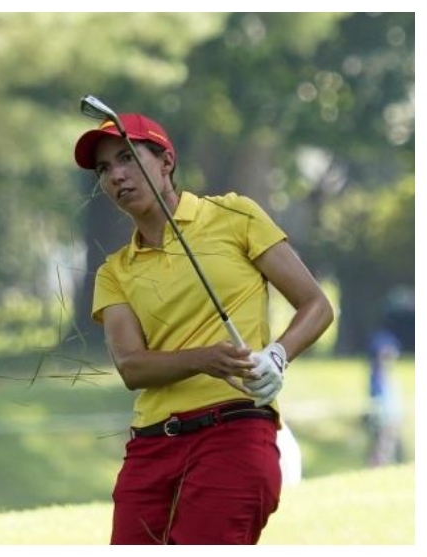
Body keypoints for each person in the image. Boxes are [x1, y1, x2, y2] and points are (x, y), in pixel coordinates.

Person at [75, 113, 333, 544]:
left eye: (126, 157)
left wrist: (277, 354)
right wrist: (203, 359)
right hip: (151, 446)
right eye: (104, 169)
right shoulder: (114, 271)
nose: (116, 175)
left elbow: (317, 305)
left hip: (233, 430)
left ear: (166, 162)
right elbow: (132, 367)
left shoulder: (235, 215)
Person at [363, 327, 403, 467]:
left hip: (390, 413)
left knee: (388, 443)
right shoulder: (377, 376)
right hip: (382, 415)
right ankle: (376, 465)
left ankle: (384, 464)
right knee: (381, 443)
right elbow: (379, 397)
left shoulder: (387, 375)